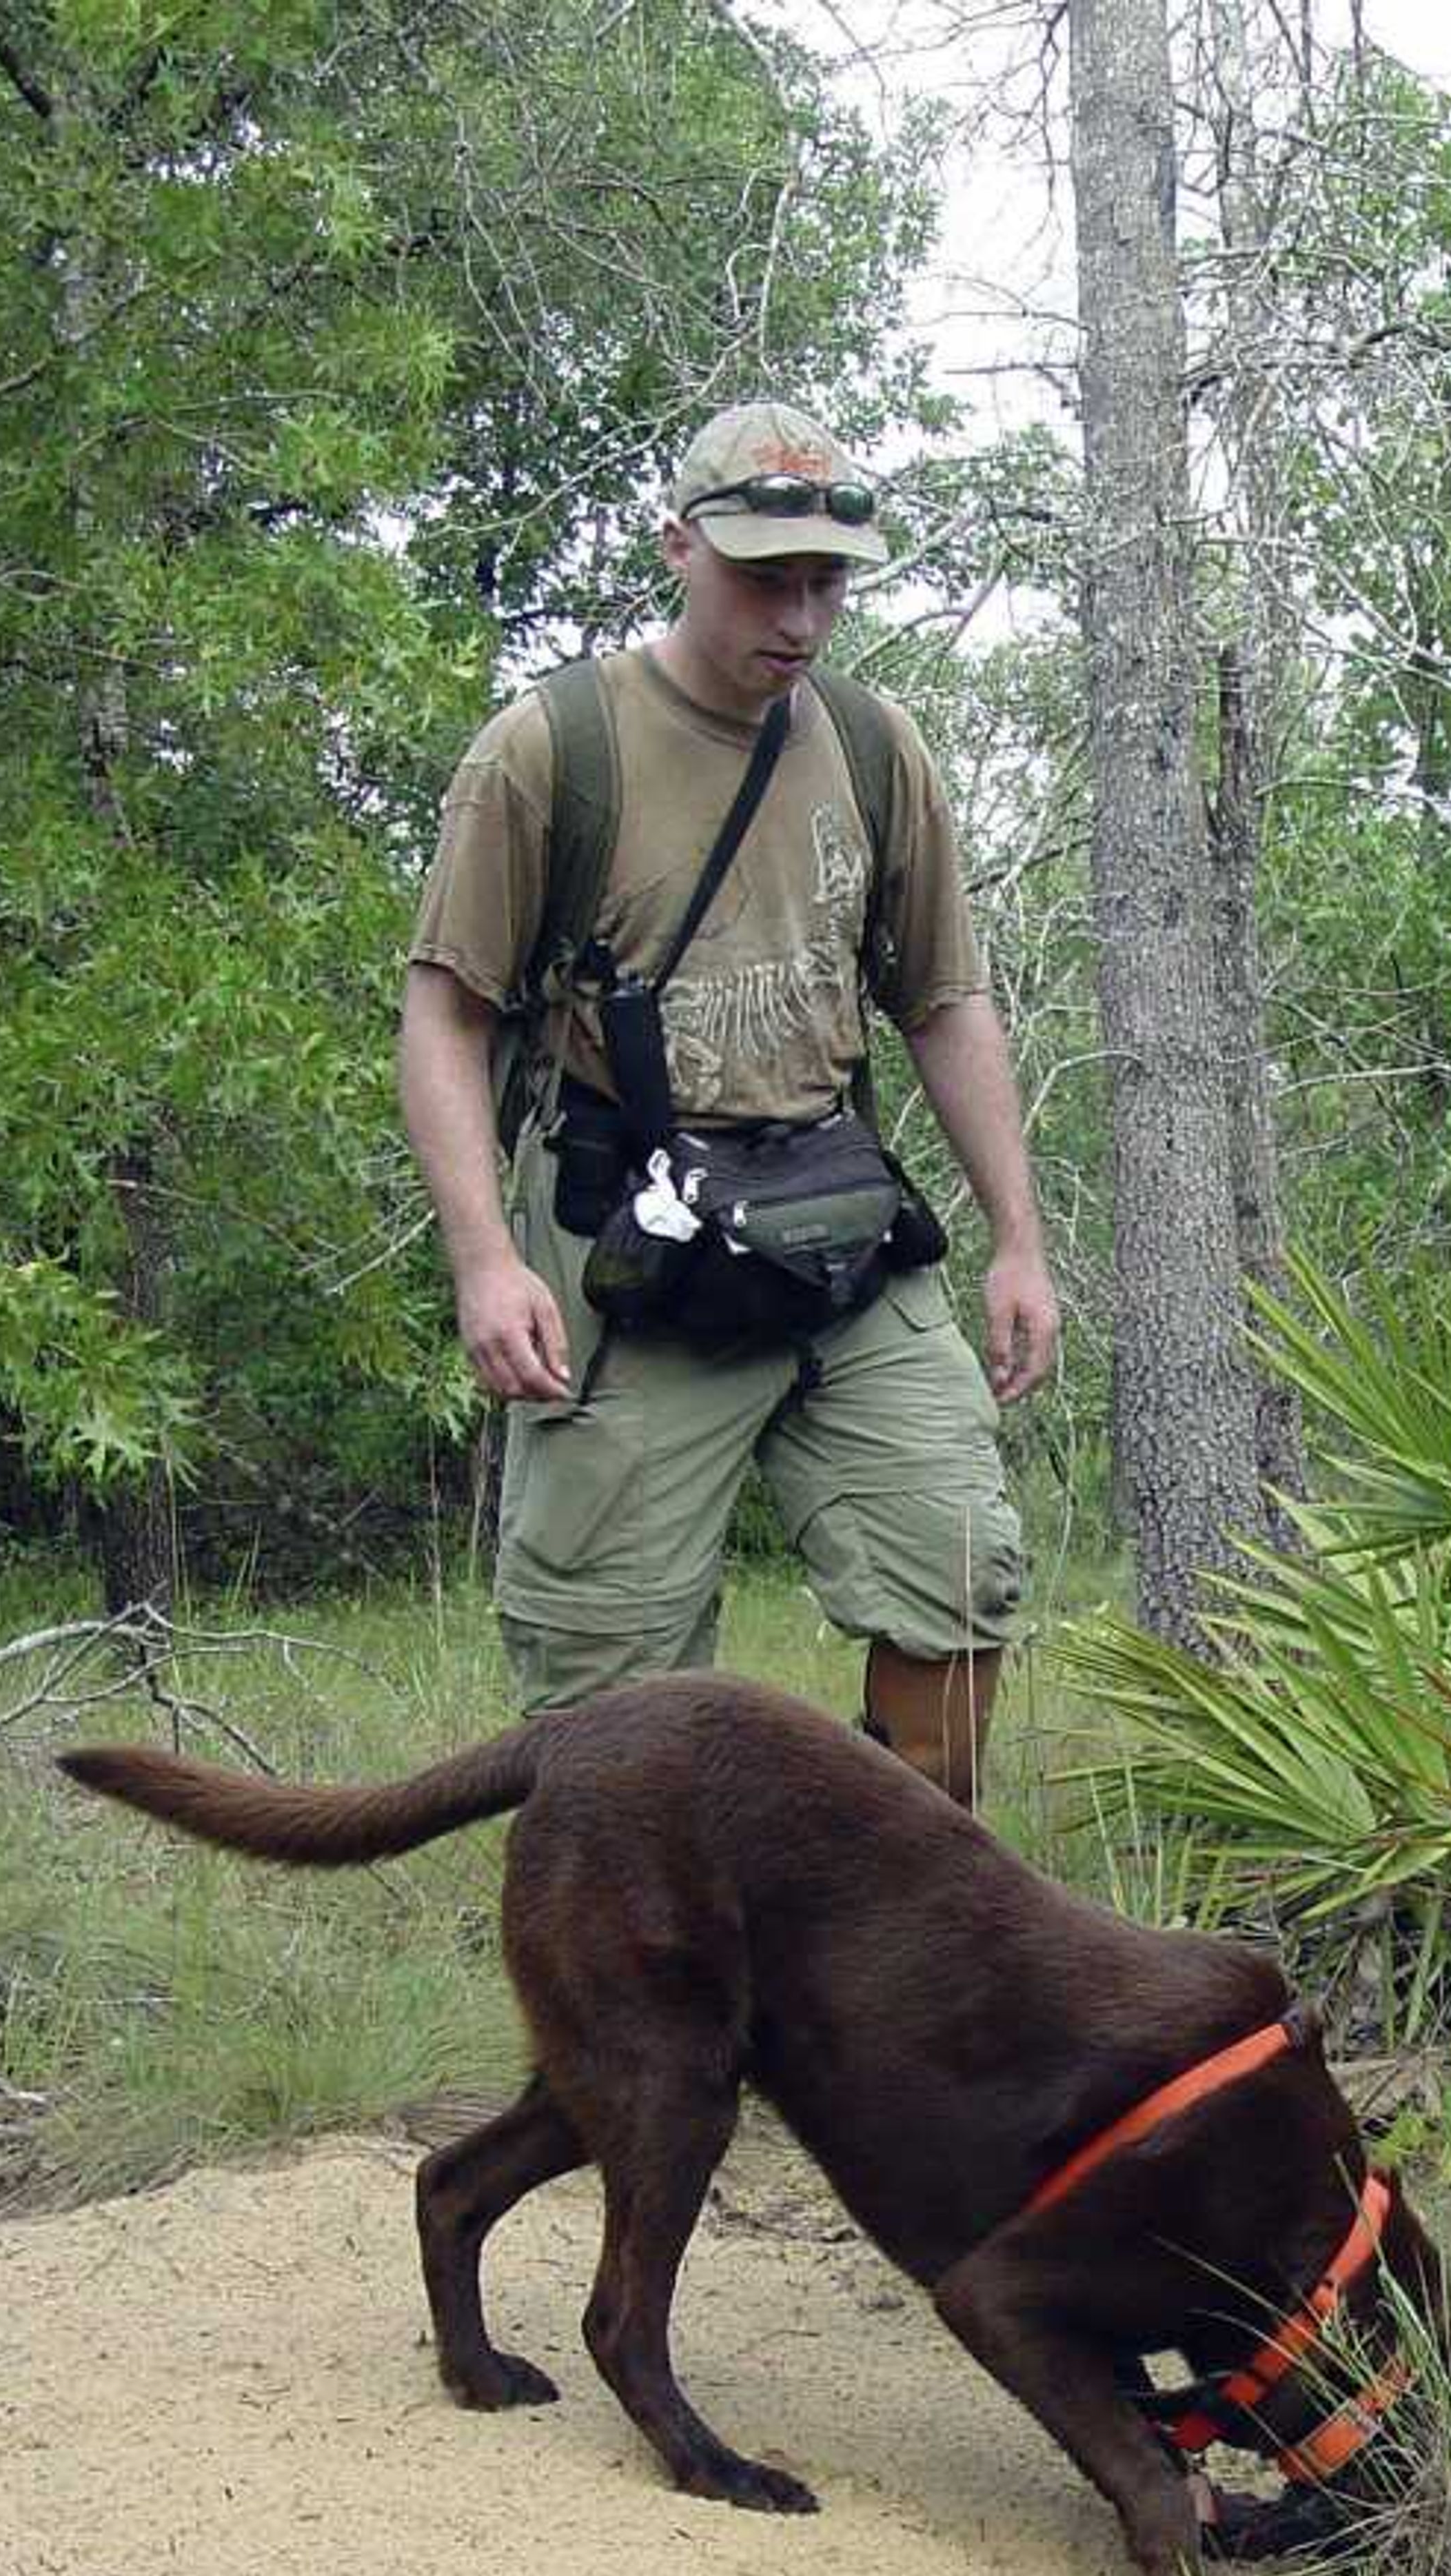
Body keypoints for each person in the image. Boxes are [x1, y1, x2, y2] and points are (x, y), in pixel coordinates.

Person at [399, 399, 1058, 1809]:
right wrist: (483, 1258)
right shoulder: (551, 750)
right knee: (610, 1706)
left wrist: (1018, 1237)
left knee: (958, 1587)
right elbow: (442, 1018)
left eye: (829, 581)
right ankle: (651, 1998)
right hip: (628, 1249)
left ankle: (882, 1943)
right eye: (768, 577)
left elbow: (944, 999)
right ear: (678, 549)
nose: (803, 616)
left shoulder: (877, 750)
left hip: (834, 1230)